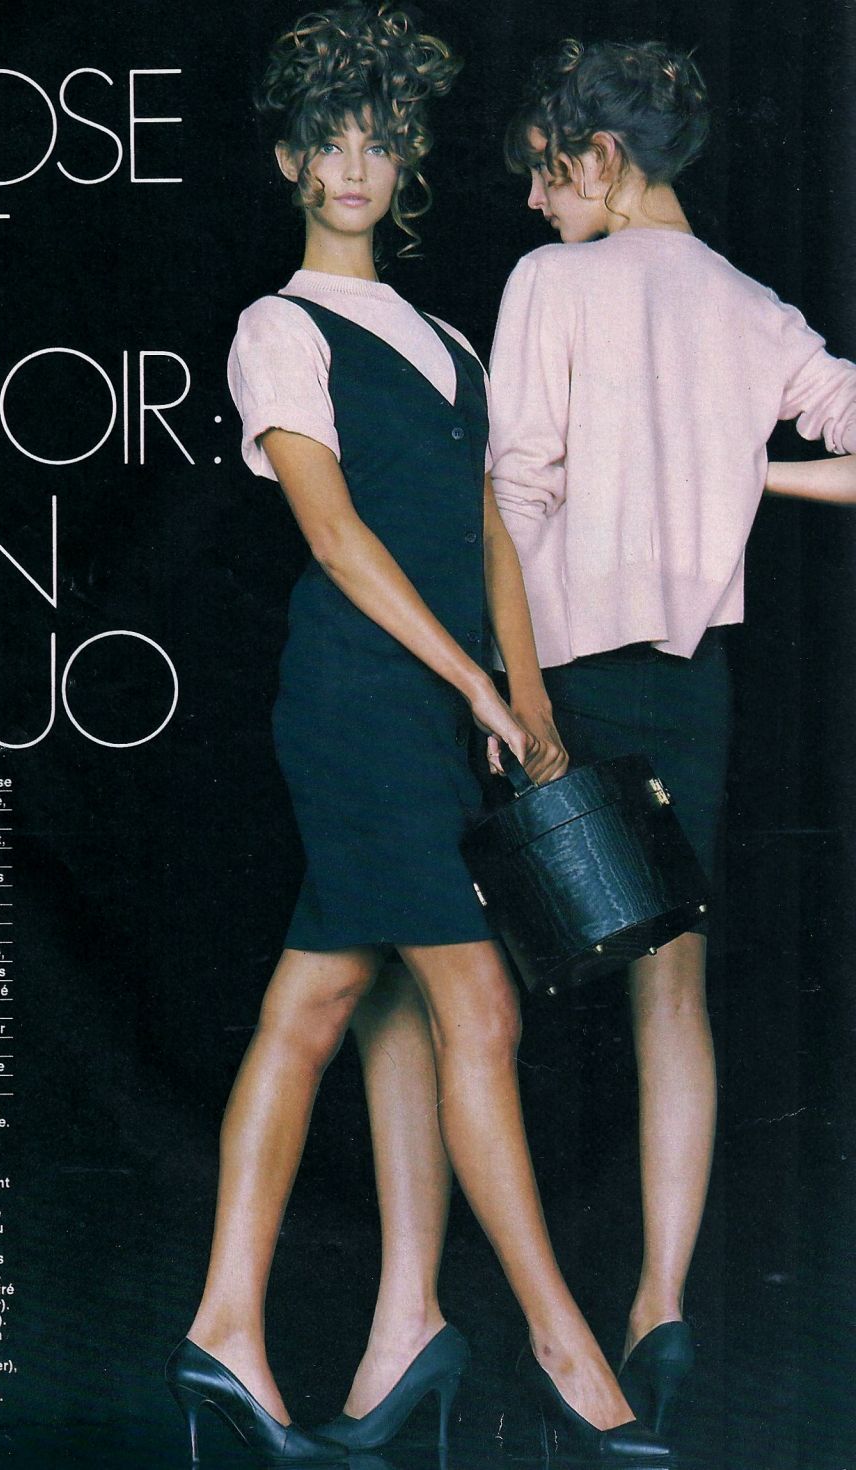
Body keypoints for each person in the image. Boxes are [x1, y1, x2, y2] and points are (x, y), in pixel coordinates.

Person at [165, 7, 670, 1464]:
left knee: (333, 999)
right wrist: (473, 685)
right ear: (288, 161)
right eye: (326, 141)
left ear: (404, 163)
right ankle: (566, 1350)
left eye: (377, 141)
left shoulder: (450, 339)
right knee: (476, 1010)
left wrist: (528, 703)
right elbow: (334, 539)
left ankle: (349, 1331)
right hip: (356, 707)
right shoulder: (278, 329)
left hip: (446, 717)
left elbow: (493, 538)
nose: (353, 165)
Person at [484, 38, 856, 1431]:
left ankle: (527, 1324)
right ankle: (661, 1306)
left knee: (477, 997)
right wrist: (751, 471)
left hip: (559, 684)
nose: (534, 201)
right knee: (673, 1001)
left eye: (546, 170)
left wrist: (515, 700)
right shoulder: (749, 306)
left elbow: (515, 497)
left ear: (604, 157)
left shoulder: (551, 284)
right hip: (692, 690)